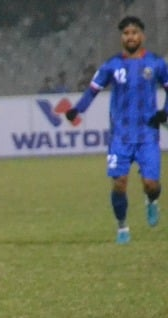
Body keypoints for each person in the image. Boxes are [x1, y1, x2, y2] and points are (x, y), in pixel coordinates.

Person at [64, 15, 168, 243]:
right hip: (120, 135)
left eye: (134, 33)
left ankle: (151, 200)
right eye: (126, 33)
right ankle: (122, 228)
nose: (130, 37)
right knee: (119, 182)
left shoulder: (156, 63)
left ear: (142, 36)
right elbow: (92, 91)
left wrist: (165, 111)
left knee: (151, 185)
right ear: (122, 37)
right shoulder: (112, 65)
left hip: (147, 134)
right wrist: (76, 110)